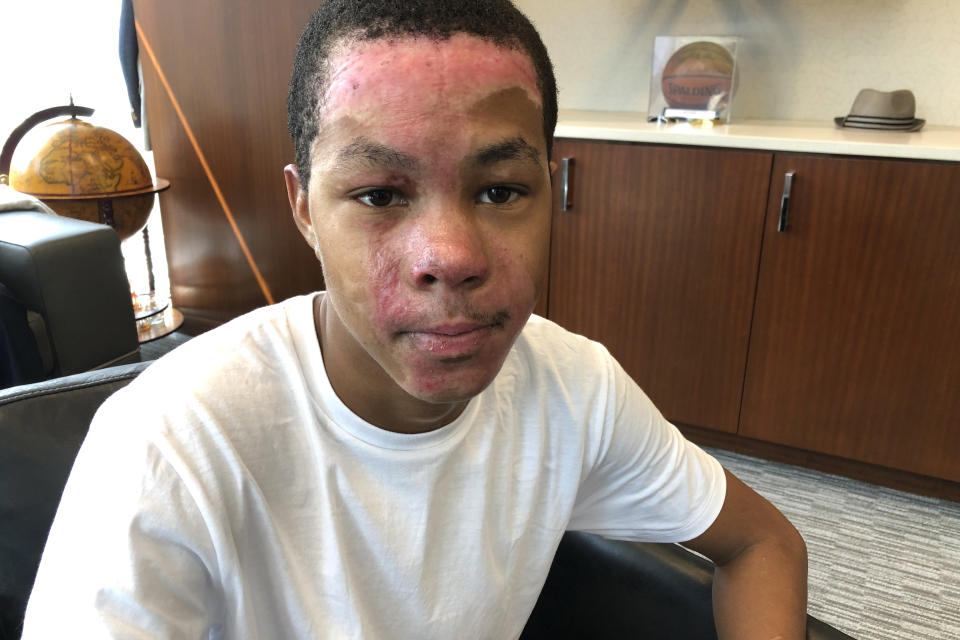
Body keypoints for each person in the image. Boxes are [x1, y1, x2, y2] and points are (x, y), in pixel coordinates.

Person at [23, 1, 807, 638]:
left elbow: (763, 544)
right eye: (380, 196)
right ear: (303, 208)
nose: (451, 256)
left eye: (500, 190)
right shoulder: (170, 443)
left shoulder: (572, 388)